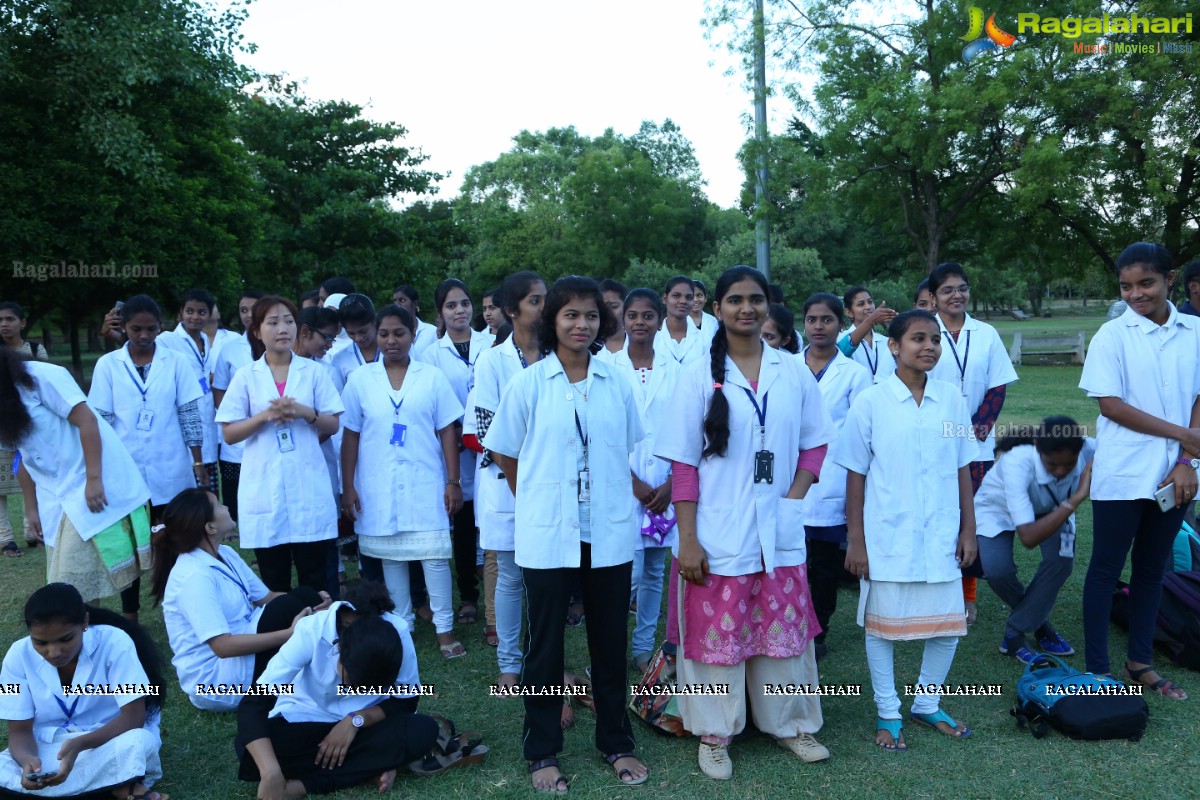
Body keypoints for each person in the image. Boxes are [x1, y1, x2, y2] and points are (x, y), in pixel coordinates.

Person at [655, 265, 833, 780]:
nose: (746, 309)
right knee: (717, 637)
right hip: (717, 530)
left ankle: (791, 724)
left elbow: (816, 441)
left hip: (778, 529)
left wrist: (792, 499)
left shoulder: (792, 370)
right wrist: (687, 539)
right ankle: (713, 734)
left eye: (756, 299)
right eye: (735, 300)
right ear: (717, 309)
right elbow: (684, 465)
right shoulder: (697, 375)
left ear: (768, 306)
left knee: (783, 633)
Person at [485, 275, 649, 792]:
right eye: (571, 315)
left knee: (608, 641)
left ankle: (616, 743)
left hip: (608, 532)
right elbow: (506, 453)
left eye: (592, 316)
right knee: (545, 647)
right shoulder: (528, 383)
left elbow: (623, 449)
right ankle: (541, 751)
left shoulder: (615, 380)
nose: (582, 324)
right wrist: (536, 498)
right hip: (547, 533)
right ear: (552, 319)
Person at [834, 309, 978, 751]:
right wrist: (856, 541)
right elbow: (855, 475)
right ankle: (888, 711)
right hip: (886, 535)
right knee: (882, 629)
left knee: (948, 627)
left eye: (935, 339)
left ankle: (927, 702)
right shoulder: (871, 401)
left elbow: (963, 468)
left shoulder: (952, 398)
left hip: (941, 533)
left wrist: (968, 531)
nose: (929, 346)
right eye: (918, 338)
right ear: (893, 346)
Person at [1079, 242, 1200, 699]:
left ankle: (1140, 664)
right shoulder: (1112, 336)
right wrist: (1185, 436)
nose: (1135, 294)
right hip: (1124, 473)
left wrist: (1187, 460)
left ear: (1170, 279)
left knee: (1152, 571)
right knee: (1105, 571)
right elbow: (1111, 406)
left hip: (1177, 476)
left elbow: (1199, 398)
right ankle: (1097, 672)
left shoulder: (1195, 331)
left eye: (1145, 283)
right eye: (1126, 286)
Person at [235, 582, 444, 798]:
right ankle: (370, 767)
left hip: (366, 726)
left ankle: (302, 786)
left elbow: (405, 701)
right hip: (307, 718)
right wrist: (270, 772)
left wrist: (354, 720)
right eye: (352, 683)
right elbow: (254, 703)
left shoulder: (397, 630)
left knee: (422, 730)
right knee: (248, 747)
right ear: (339, 648)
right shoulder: (310, 629)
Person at [341, 305, 467, 659]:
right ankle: (403, 623)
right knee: (391, 557)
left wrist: (453, 480)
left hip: (425, 478)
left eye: (399, 333)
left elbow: (447, 430)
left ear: (414, 334)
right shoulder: (360, 379)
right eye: (384, 334)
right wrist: (348, 485)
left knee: (435, 556)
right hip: (377, 482)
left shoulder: (431, 377)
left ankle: (444, 628)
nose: (391, 341)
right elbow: (350, 435)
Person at [152, 488, 330, 711]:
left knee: (303, 595)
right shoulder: (193, 576)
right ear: (210, 527)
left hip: (245, 645)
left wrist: (315, 602)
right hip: (217, 679)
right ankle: (325, 670)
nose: (226, 507)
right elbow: (223, 647)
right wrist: (291, 633)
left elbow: (267, 598)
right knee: (289, 609)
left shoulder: (225, 553)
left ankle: (328, 664)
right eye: (219, 505)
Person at [4, 350, 152, 616]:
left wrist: (94, 479)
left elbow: (87, 421)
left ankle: (93, 630)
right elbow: (20, 454)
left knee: (75, 581)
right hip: (54, 494)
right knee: (69, 581)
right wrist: (31, 508)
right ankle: (85, 631)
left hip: (92, 480)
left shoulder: (41, 376)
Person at [215, 296, 343, 596]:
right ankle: (279, 640)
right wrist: (265, 415)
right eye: (272, 322)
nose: (282, 328)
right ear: (257, 331)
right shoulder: (246, 376)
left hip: (307, 483)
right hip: (264, 486)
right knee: (274, 580)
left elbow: (333, 425)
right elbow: (230, 433)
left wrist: (304, 413)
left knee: (315, 577)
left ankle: (321, 635)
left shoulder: (314, 372)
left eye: (288, 320)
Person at [0, 582, 166, 799]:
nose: (54, 652)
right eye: (40, 643)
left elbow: (134, 716)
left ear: (85, 622)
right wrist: (28, 761)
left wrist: (80, 744)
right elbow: (19, 731)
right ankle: (116, 789)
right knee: (5, 767)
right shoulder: (17, 655)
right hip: (49, 749)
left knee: (137, 742)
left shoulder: (115, 641)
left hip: (108, 739)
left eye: (66, 639)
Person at [927, 262, 1019, 625]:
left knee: (971, 519)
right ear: (933, 297)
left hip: (977, 446)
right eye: (947, 290)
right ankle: (936, 592)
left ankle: (967, 597)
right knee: (936, 516)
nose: (956, 295)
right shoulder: (923, 332)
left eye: (962, 288)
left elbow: (998, 386)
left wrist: (976, 431)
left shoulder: (986, 334)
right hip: (931, 443)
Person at [471, 271, 546, 688]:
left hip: (554, 483)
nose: (544, 307)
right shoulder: (492, 360)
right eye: (535, 300)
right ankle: (509, 664)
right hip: (506, 480)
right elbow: (486, 429)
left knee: (547, 576)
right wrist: (527, 476)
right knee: (513, 575)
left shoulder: (561, 356)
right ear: (512, 310)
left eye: (545, 299)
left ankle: (542, 656)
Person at [975, 417, 1093, 663]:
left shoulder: (1089, 448)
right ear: (1038, 447)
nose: (1060, 471)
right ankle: (1040, 625)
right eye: (1052, 464)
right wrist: (1077, 497)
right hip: (997, 509)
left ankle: (1015, 633)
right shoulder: (1016, 463)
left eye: (1068, 465)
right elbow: (1028, 536)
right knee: (997, 571)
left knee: (1062, 561)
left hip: (1054, 510)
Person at [87, 294, 205, 522]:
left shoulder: (176, 361)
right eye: (136, 329)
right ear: (123, 327)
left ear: (160, 326)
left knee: (175, 529)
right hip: (125, 461)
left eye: (151, 329)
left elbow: (189, 415)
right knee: (138, 531)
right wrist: (98, 468)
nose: (144, 335)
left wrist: (198, 462)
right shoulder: (108, 364)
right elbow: (101, 420)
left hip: (171, 462)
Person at [799, 294, 872, 659]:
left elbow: (860, 431)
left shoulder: (856, 374)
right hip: (790, 478)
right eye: (812, 320)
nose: (818, 327)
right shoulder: (787, 367)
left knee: (824, 566)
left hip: (832, 478)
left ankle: (818, 632)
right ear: (804, 325)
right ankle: (790, 624)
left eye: (826, 320)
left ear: (839, 325)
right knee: (792, 562)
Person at [420, 279, 494, 628]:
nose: (460, 311)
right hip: (453, 449)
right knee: (463, 524)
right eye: (451, 306)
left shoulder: (492, 343)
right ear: (440, 313)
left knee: (494, 519)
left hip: (493, 446)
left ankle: (500, 590)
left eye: (465, 303)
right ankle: (468, 594)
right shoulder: (430, 356)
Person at [613, 289, 678, 672]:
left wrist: (671, 484)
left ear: (660, 320)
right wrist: (632, 482)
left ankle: (641, 649)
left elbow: (689, 427)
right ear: (623, 320)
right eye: (633, 315)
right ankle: (613, 645)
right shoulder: (606, 367)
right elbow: (602, 433)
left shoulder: (677, 368)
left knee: (655, 570)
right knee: (625, 572)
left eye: (648, 315)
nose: (640, 322)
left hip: (665, 485)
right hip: (624, 484)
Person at [156, 288, 220, 494]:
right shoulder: (168, 340)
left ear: (209, 315)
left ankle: (211, 525)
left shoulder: (205, 340)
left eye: (201, 312)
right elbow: (141, 344)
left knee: (210, 492)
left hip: (208, 419)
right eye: (189, 311)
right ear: (180, 313)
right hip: (185, 418)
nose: (195, 317)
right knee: (190, 492)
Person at [212, 290, 265, 522]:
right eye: (243, 310)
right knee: (235, 484)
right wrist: (232, 417)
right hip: (238, 430)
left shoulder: (281, 345)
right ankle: (233, 523)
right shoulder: (230, 349)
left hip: (271, 426)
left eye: (253, 309)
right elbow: (219, 389)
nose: (248, 315)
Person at [0, 301, 47, 557]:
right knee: (1, 484)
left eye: (9, 319)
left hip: (31, 423)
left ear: (22, 322)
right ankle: (5, 539)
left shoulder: (36, 350)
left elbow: (43, 383)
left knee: (35, 475)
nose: (4, 324)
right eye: (0, 320)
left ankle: (34, 532)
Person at [837, 286, 898, 383]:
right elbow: (842, 351)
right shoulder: (840, 338)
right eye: (861, 304)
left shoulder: (886, 341)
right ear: (849, 312)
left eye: (870, 302)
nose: (868, 307)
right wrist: (871, 320)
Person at [330, 294, 381, 388]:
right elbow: (338, 396)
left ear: (375, 320)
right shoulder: (340, 359)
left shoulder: (395, 349)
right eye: (351, 333)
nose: (358, 338)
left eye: (363, 331)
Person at [655, 276, 704, 366]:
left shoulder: (704, 340)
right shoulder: (653, 338)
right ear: (665, 299)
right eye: (676, 296)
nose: (683, 301)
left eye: (689, 297)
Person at [391, 285, 437, 360]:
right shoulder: (391, 333)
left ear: (415, 304)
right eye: (395, 301)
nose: (397, 305)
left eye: (402, 300)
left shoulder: (432, 332)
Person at [597, 279, 628, 359]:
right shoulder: (588, 347)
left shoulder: (641, 343)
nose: (608, 312)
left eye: (614, 306)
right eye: (603, 307)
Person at [690, 280, 719, 345]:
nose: (695, 300)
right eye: (691, 296)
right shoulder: (679, 322)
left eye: (699, 295)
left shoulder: (713, 321)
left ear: (705, 298)